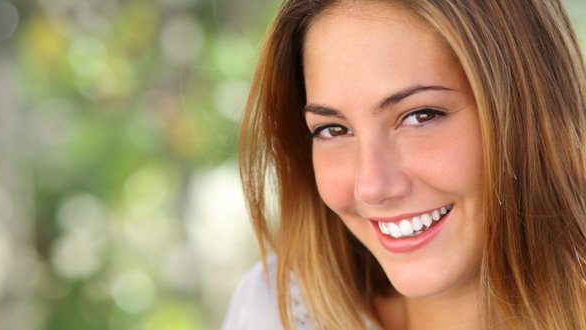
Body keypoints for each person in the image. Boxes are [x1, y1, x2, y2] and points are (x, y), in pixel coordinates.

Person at [223, 0, 586, 329]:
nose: (372, 186)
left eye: (420, 116)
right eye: (333, 129)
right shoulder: (273, 312)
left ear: (531, 113)